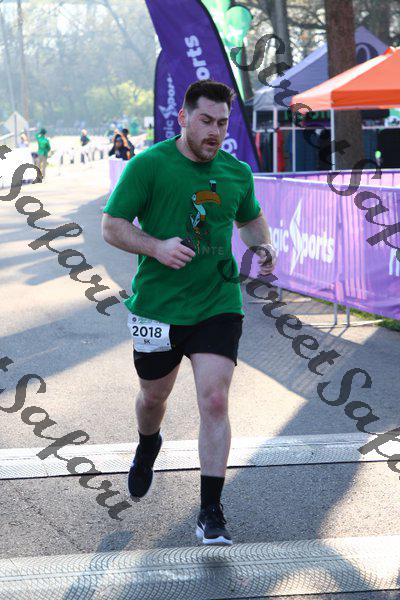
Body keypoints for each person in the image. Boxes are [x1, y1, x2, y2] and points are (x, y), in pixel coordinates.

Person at [102, 79, 277, 546]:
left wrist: (263, 245)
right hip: (158, 307)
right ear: (183, 118)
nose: (214, 132)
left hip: (218, 302)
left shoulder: (236, 172)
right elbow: (112, 226)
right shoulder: (148, 166)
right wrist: (156, 247)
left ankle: (210, 511)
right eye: (205, 120)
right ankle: (148, 444)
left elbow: (250, 218)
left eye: (222, 123)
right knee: (153, 398)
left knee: (215, 400)